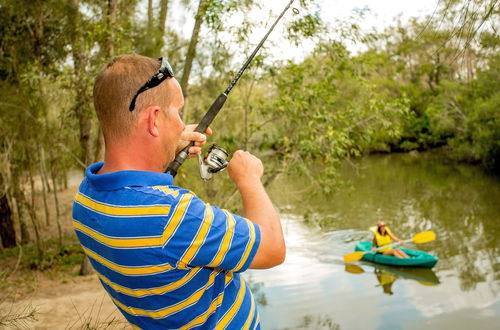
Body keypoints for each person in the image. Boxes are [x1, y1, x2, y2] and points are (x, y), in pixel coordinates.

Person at [72, 54, 285, 329]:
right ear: (154, 121)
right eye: (178, 112)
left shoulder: (86, 200)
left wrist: (167, 144)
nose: (183, 123)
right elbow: (272, 248)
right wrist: (249, 179)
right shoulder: (171, 217)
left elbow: (137, 196)